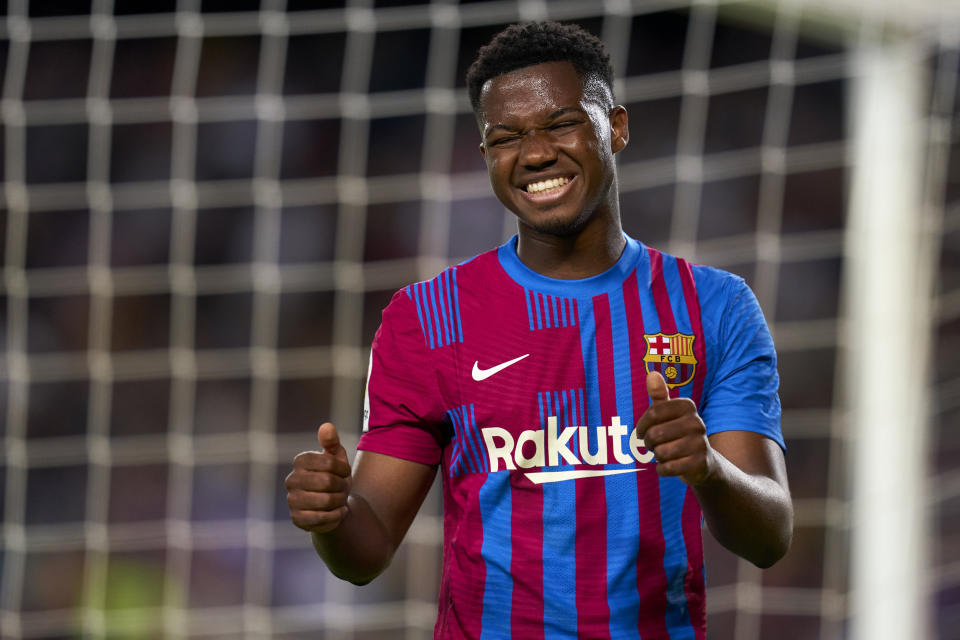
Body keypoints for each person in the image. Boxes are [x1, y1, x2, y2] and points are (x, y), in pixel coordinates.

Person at [286, 21, 792, 639]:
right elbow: (366, 554)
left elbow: (771, 535)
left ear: (617, 127)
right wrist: (332, 518)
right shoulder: (425, 317)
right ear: (486, 156)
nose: (535, 154)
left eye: (561, 124)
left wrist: (709, 468)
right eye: (506, 137)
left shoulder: (714, 305)